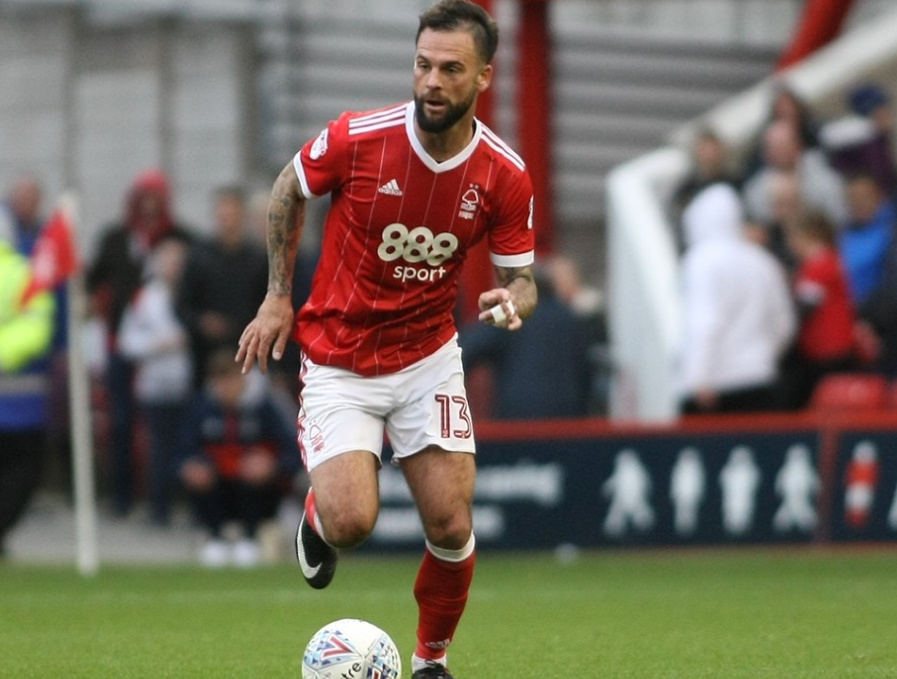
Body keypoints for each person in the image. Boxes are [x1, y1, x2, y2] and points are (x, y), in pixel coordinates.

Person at [235, 2, 537, 677]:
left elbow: (523, 279)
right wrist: (278, 295)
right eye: (423, 64)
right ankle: (319, 517)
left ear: (483, 77)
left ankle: (430, 661)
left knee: (451, 523)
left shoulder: (503, 174)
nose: (431, 81)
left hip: (427, 357)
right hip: (339, 356)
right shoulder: (359, 137)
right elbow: (288, 188)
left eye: (450, 69)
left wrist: (511, 300)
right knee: (352, 522)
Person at [87, 169, 193, 518]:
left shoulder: (180, 237)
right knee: (120, 421)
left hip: (169, 359)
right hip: (124, 341)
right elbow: (93, 280)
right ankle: (121, 496)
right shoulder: (116, 238)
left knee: (168, 427)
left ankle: (166, 499)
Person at [677, 183, 796, 414]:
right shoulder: (762, 260)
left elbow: (704, 321)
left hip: (714, 388)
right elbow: (784, 323)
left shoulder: (701, 261)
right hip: (761, 380)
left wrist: (696, 376)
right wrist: (763, 356)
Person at [180, 350, 300, 568]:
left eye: (231, 379)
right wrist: (191, 467)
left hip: (260, 495)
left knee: (252, 473)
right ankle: (214, 539)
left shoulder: (266, 408)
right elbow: (181, 453)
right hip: (217, 490)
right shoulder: (200, 409)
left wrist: (272, 465)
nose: (226, 388)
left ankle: (250, 539)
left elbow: (295, 452)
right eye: (220, 381)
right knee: (202, 476)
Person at [117, 237, 195, 526]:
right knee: (159, 450)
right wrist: (159, 345)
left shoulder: (192, 295)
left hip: (188, 385)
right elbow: (126, 342)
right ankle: (159, 508)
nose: (174, 268)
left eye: (179, 262)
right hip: (155, 386)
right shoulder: (146, 298)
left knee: (189, 447)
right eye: (169, 262)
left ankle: (192, 507)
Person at [459, 269, 589, 420]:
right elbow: (585, 371)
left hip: (518, 419)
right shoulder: (569, 318)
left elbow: (465, 350)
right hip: (566, 418)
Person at [0, 227, 55, 557]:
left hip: (19, 402)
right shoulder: (24, 274)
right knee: (21, 473)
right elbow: (38, 328)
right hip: (22, 403)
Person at [178, 186, 268, 389]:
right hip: (205, 358)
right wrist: (202, 322)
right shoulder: (199, 257)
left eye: (232, 212)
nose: (227, 218)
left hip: (247, 356)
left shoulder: (258, 260)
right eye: (222, 212)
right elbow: (183, 306)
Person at [780, 210, 858, 409]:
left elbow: (805, 306)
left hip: (829, 354)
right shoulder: (824, 261)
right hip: (825, 352)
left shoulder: (820, 264)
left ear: (809, 235)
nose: (790, 244)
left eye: (793, 237)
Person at [742, 119, 847, 229]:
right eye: (775, 148)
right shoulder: (755, 189)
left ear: (799, 145)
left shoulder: (821, 172)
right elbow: (761, 223)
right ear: (766, 153)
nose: (780, 153)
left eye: (784, 146)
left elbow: (837, 213)